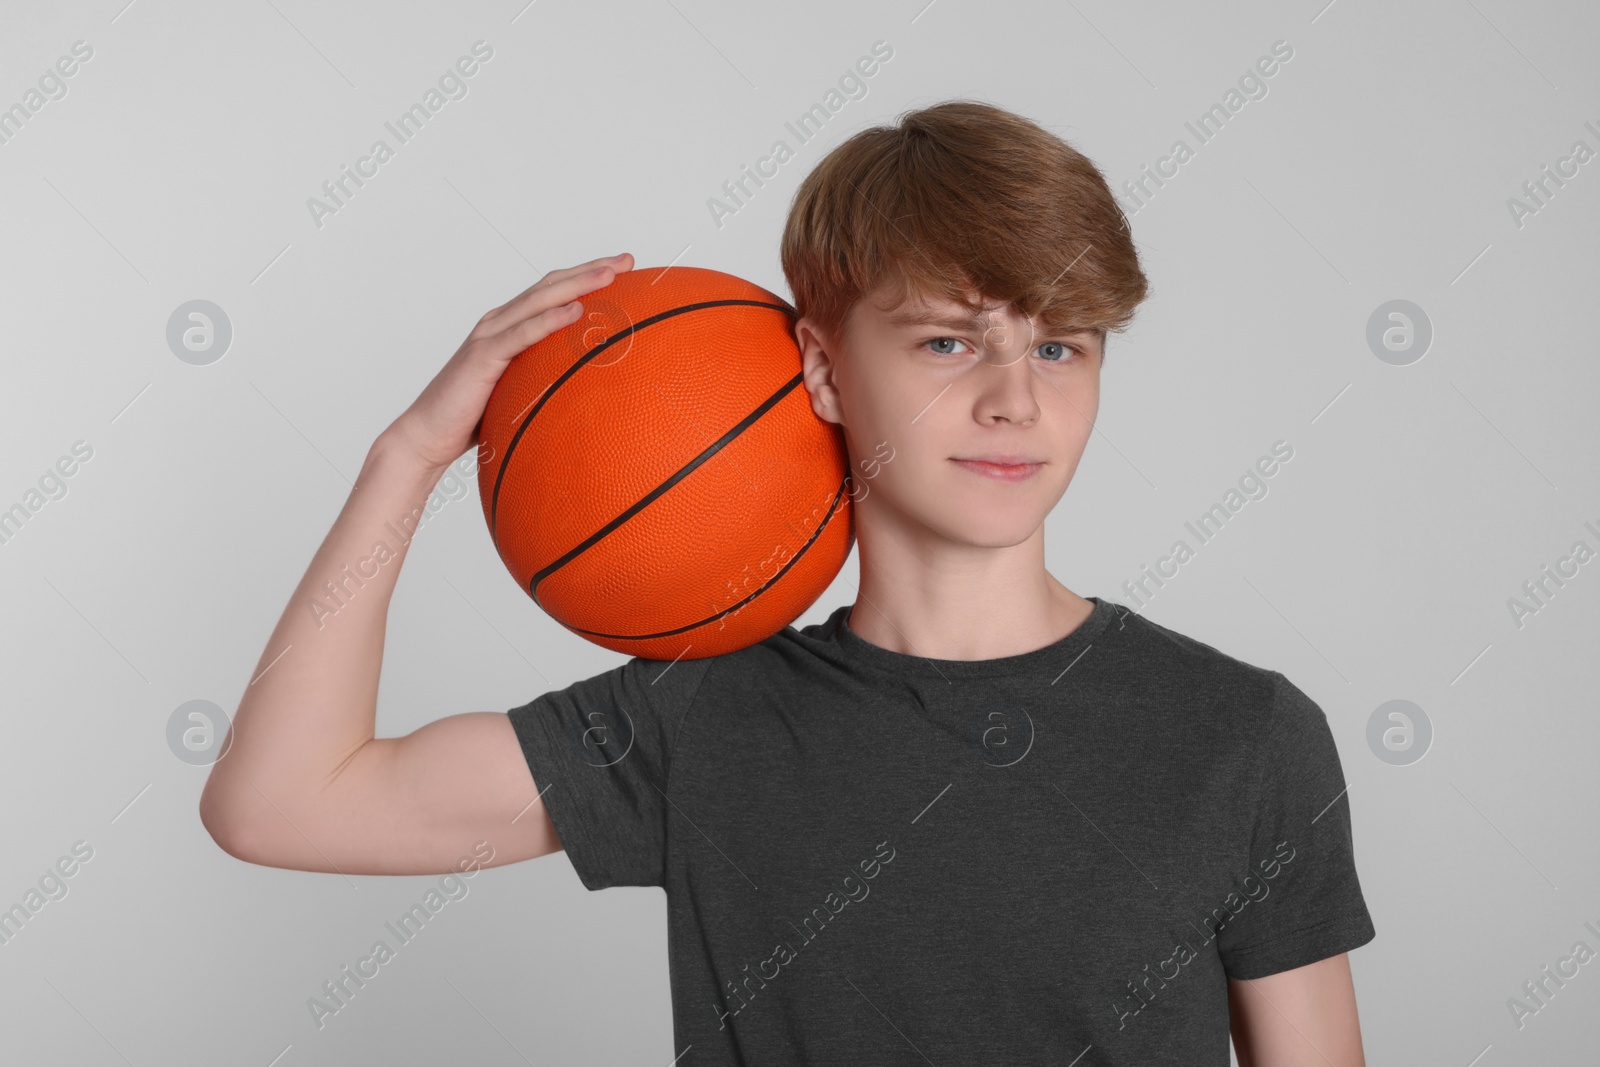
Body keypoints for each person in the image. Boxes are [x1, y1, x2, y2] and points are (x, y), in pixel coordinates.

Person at [200, 99, 1375, 1065]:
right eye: (949, 341)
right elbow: (280, 802)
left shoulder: (1242, 733)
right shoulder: (697, 717)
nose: (1017, 400)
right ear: (820, 366)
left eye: (1060, 343)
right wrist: (408, 455)